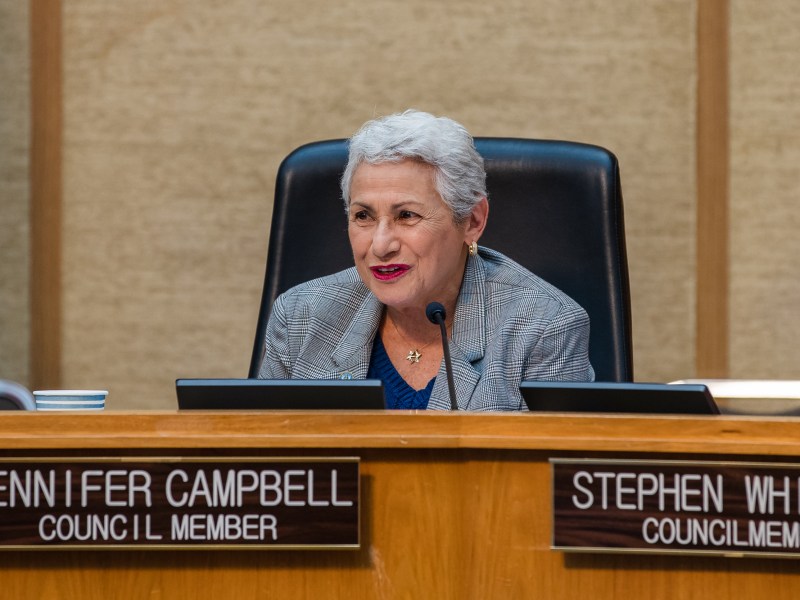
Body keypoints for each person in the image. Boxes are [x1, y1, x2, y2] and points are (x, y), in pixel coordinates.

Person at [258, 109, 594, 410]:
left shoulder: (544, 328)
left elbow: (555, 475)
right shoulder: (301, 316)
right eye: (363, 216)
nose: (381, 244)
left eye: (406, 215)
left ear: (473, 222)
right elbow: (265, 463)